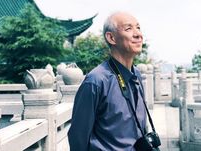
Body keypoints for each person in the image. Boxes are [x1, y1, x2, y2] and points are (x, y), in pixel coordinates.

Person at [68, 12, 160, 151]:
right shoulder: (96, 81)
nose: (138, 34)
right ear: (111, 38)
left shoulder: (137, 75)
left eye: (138, 28)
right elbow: (78, 138)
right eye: (129, 29)